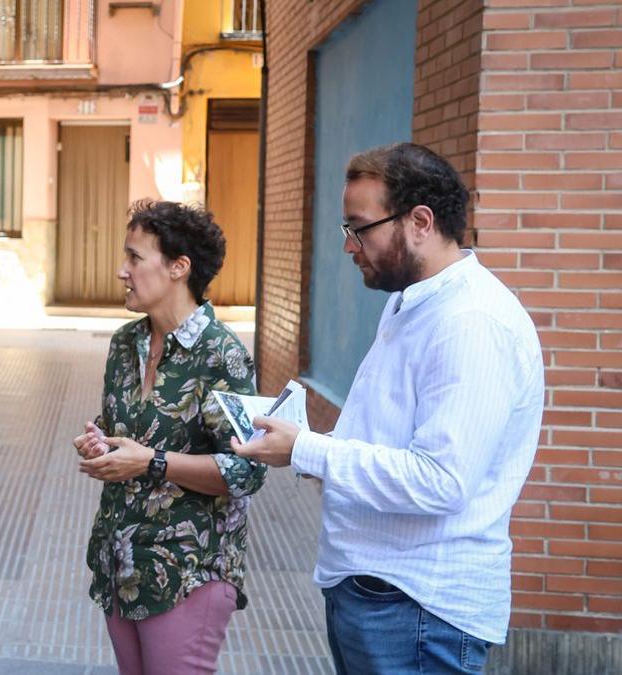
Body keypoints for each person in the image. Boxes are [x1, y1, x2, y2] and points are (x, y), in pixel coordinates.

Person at [234, 143, 544, 673]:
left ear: (419, 221)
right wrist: (307, 449)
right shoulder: (413, 303)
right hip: (379, 595)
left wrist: (310, 449)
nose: (350, 246)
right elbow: (394, 444)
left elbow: (440, 480)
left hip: (418, 609)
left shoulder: (471, 322)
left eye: (360, 227)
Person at [74, 200, 266, 675]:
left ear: (180, 268)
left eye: (135, 258)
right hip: (123, 561)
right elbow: (126, 429)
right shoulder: (125, 343)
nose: (123, 271)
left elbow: (247, 470)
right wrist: (101, 441)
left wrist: (150, 462)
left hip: (188, 572)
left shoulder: (223, 355)